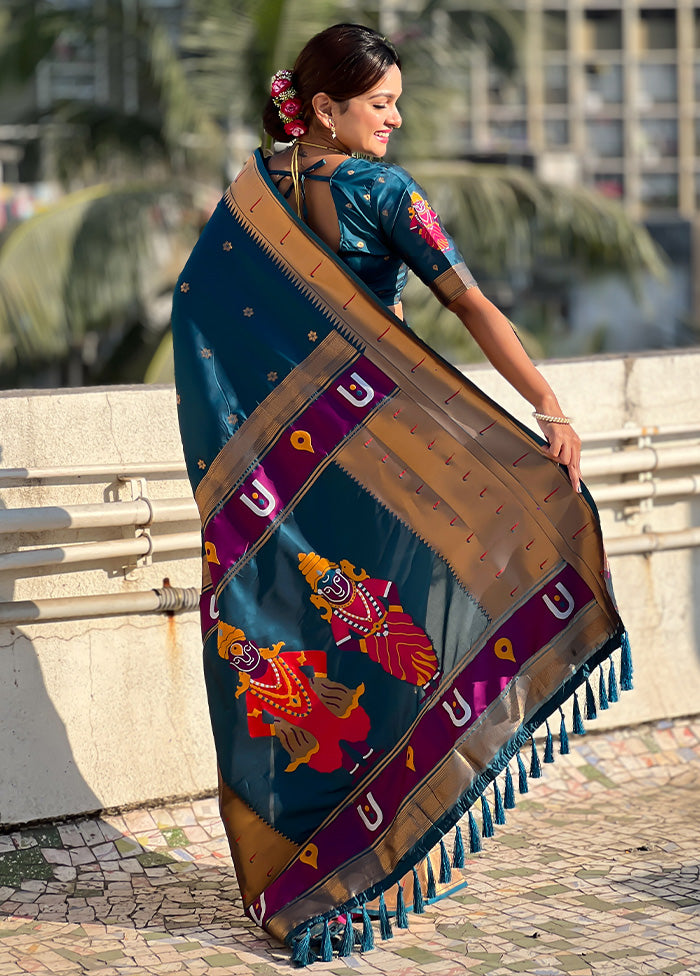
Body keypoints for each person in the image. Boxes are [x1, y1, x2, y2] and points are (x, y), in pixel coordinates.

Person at [171, 23, 630, 965]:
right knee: (407, 626)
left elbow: (198, 314)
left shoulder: (252, 194)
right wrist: (546, 405)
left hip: (284, 479)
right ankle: (363, 857)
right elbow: (467, 304)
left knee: (297, 636)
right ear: (328, 108)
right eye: (381, 104)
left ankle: (311, 863)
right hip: (379, 462)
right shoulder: (385, 192)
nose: (396, 118)